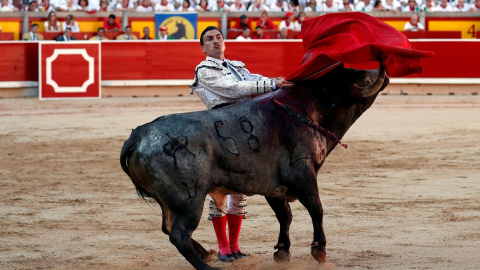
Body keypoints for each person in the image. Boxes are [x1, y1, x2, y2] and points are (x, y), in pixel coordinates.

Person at [190, 26, 293, 262]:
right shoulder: (203, 68)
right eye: (209, 39)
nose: (215, 42)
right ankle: (223, 247)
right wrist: (271, 85)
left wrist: (277, 81)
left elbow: (254, 80)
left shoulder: (237, 65)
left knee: (240, 192)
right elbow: (232, 89)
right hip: (219, 131)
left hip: (245, 129)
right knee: (219, 191)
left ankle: (235, 246)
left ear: (224, 42)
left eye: (218, 38)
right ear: (203, 47)